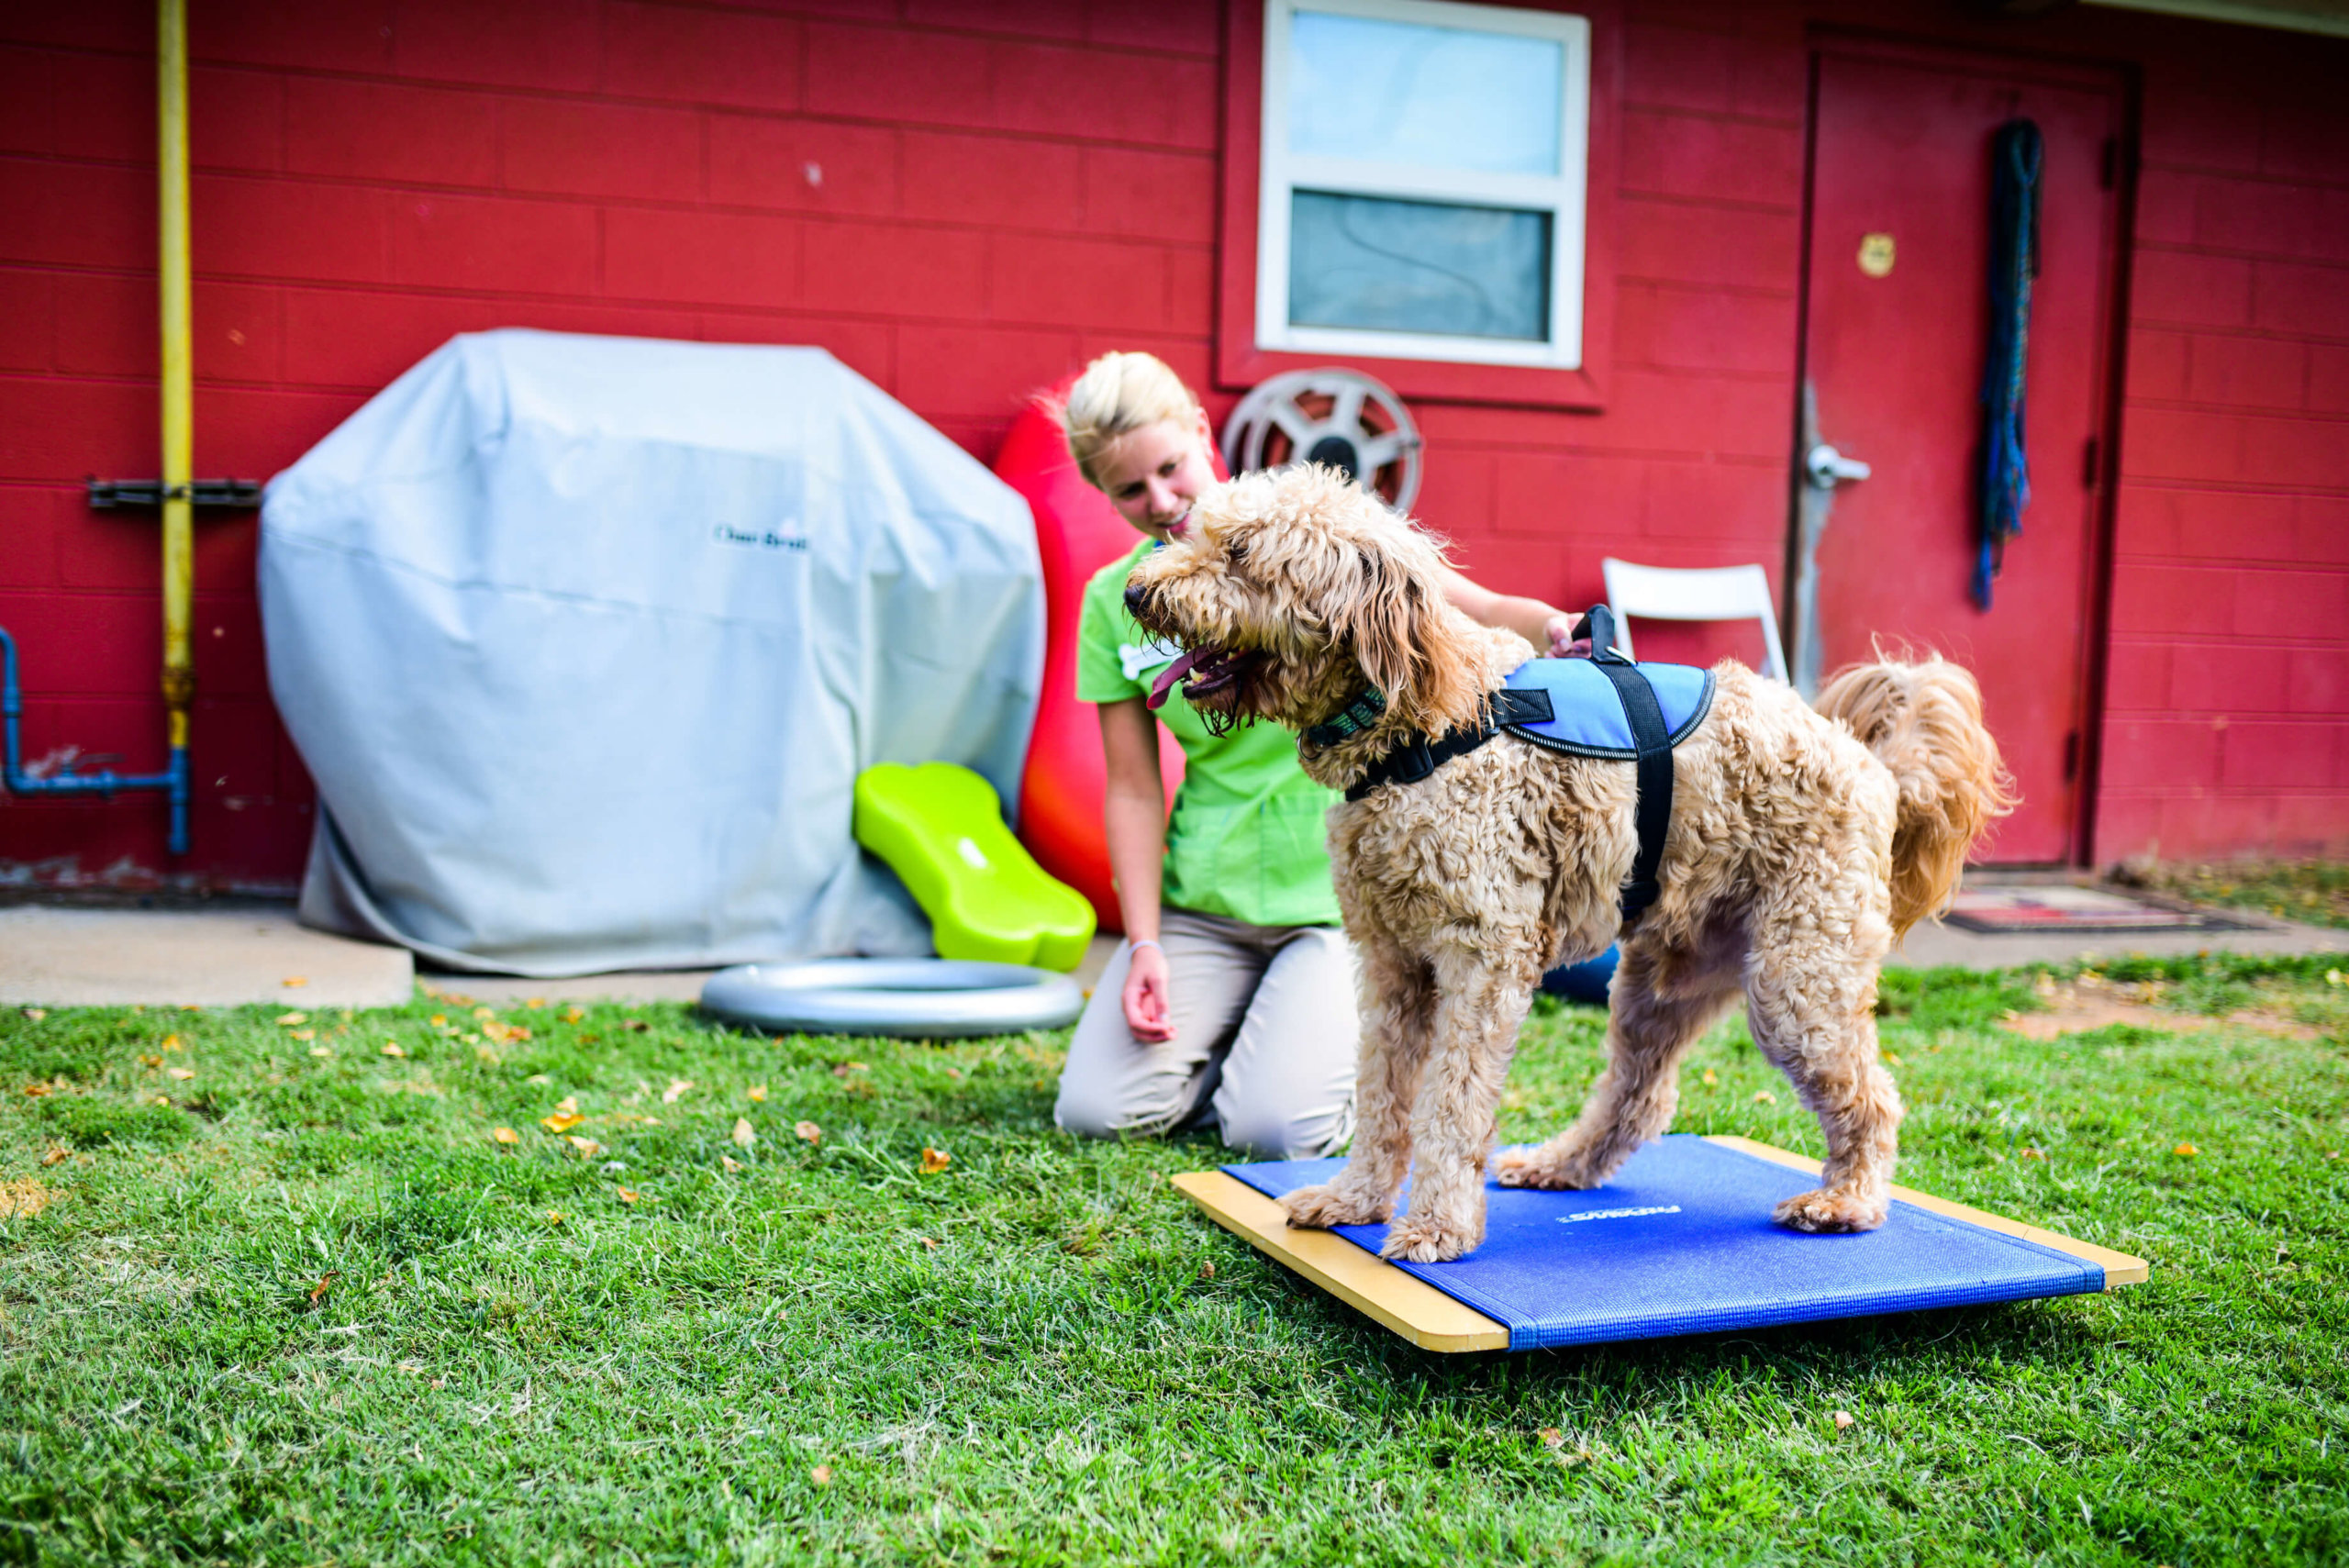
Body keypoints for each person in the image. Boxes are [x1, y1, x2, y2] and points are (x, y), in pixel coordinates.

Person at [1050, 351, 1582, 1159]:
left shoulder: (1317, 540)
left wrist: (1550, 625)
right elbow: (1132, 790)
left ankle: (1281, 1057)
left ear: (1202, 432)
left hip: (1332, 905)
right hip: (1210, 899)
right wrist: (1145, 942)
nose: (1160, 502)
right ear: (1102, 495)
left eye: (1169, 467)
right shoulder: (1113, 601)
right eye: (1130, 489)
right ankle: (1245, 1035)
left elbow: (1470, 603)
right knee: (1094, 1112)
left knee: (1273, 1130)